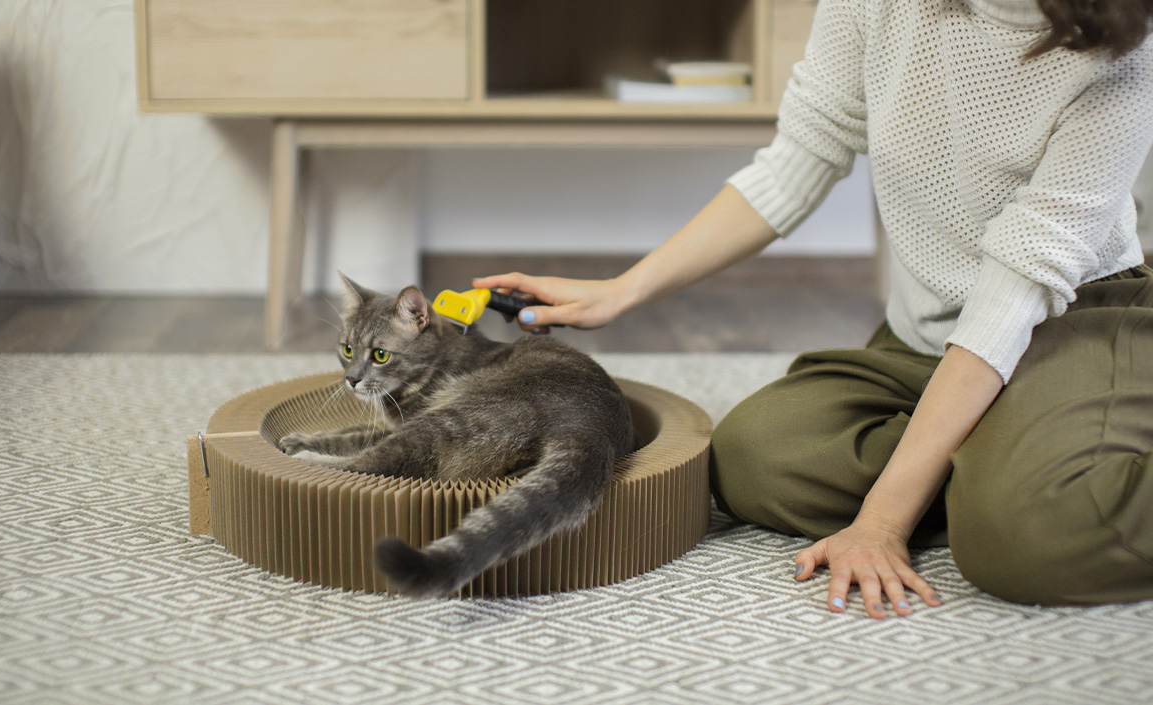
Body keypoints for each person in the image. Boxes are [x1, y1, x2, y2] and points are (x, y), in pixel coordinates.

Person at [473, 0, 1153, 617]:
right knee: (753, 456)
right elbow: (800, 156)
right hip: (926, 336)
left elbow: (1012, 294)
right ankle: (997, 467)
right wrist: (621, 289)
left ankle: (1015, 485)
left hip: (1066, 320)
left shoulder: (1129, 52)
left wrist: (883, 519)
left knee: (1025, 543)